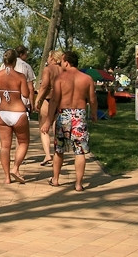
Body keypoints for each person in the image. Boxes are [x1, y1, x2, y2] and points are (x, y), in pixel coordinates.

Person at [42, 51, 96, 192]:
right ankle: (78, 184)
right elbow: (92, 99)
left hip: (64, 114)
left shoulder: (60, 79)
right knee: (79, 151)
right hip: (79, 115)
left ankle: (56, 179)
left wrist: (48, 121)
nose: (60, 64)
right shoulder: (87, 79)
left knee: (59, 149)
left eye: (62, 62)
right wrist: (94, 114)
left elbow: (54, 100)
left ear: (66, 62)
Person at [0, 49, 31, 184]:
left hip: (3, 113)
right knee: (23, 142)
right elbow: (25, 94)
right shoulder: (20, 76)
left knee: (5, 146)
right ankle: (15, 168)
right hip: (18, 112)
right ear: (15, 61)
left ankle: (7, 177)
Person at [34, 50, 64, 166]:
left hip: (48, 99)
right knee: (57, 129)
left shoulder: (48, 69)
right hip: (61, 100)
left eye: (48, 56)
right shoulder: (64, 69)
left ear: (52, 57)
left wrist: (38, 99)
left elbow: (44, 86)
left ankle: (47, 155)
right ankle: (57, 154)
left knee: (43, 128)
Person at [0, 45, 36, 112]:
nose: (27, 56)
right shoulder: (26, 66)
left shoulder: (3, 65)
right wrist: (32, 104)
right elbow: (30, 88)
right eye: (26, 54)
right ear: (21, 54)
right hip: (21, 102)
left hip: (5, 101)